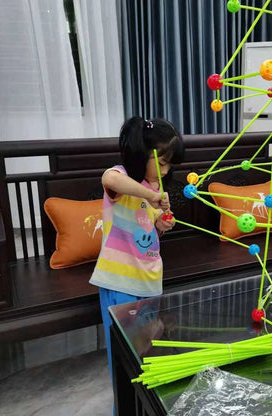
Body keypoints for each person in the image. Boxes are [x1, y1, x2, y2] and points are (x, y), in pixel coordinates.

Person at [89, 116, 184, 378]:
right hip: (121, 281)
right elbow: (109, 178)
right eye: (162, 163)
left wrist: (162, 224)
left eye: (169, 166)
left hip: (148, 280)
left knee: (143, 349)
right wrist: (151, 196)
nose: (165, 172)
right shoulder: (123, 180)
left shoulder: (152, 188)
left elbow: (146, 232)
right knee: (123, 355)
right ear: (143, 153)